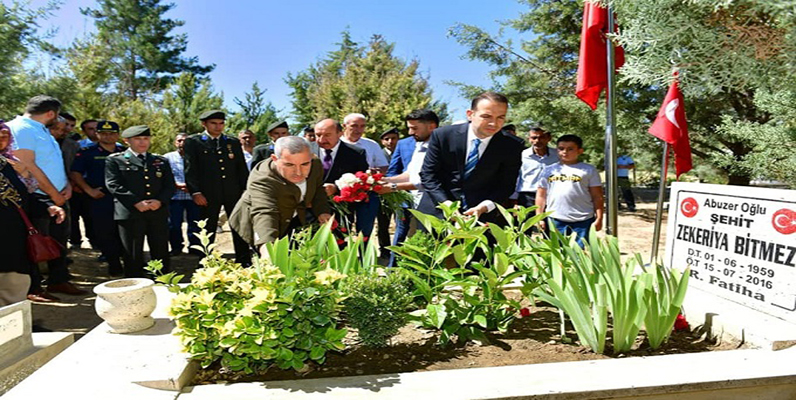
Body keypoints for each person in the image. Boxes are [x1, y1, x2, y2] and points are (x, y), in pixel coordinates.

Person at [7, 95, 85, 296]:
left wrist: (66, 185)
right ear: (51, 113)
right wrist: (52, 194)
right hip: (38, 196)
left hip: (59, 195)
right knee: (35, 242)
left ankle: (58, 280)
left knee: (59, 241)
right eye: (57, 115)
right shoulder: (21, 128)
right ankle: (34, 287)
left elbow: (54, 163)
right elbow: (29, 165)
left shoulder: (43, 130)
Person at [419, 92, 523, 224]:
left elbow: (506, 185)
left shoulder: (512, 145)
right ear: (470, 114)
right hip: (437, 213)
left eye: (500, 118)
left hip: (481, 219)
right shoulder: (443, 136)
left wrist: (484, 207)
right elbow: (428, 175)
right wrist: (447, 205)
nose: (494, 123)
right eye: (486, 116)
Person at [230, 136, 331, 257]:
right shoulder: (262, 179)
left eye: (304, 164)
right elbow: (264, 213)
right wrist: (267, 250)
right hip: (258, 222)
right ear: (275, 159)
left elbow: (318, 189)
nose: (298, 172)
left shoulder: (315, 164)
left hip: (294, 217)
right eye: (289, 165)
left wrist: (322, 211)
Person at [0, 120, 64, 304]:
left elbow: (20, 196)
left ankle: (17, 328)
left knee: (15, 284)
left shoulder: (8, 164)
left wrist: (47, 206)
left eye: (5, 135)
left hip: (13, 239)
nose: (2, 138)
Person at [106, 125, 175, 277]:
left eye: (146, 138)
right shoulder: (116, 160)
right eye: (137, 139)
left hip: (157, 211)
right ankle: (134, 282)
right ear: (126, 141)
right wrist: (135, 202)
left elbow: (169, 186)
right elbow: (113, 184)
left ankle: (162, 280)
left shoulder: (160, 161)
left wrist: (160, 201)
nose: (142, 142)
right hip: (131, 213)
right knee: (132, 251)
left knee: (160, 249)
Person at [183, 110, 250, 264]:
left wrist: (245, 190)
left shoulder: (231, 142)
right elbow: (190, 169)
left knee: (239, 226)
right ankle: (205, 260)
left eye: (221, 123)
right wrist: (196, 192)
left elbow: (240, 168)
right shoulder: (194, 142)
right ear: (204, 124)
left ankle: (244, 259)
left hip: (233, 191)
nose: (218, 127)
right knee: (207, 229)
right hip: (208, 193)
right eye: (214, 123)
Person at [378, 109, 439, 266]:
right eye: (409, 128)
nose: (410, 133)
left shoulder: (441, 147)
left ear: (431, 126)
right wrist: (382, 180)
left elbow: (427, 181)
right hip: (415, 203)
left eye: (414, 128)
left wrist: (392, 187)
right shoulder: (419, 145)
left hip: (434, 206)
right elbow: (410, 174)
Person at [70, 120, 127, 276]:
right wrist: (89, 190)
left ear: (117, 135)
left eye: (112, 133)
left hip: (124, 198)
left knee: (125, 231)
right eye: (103, 133)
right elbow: (75, 173)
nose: (108, 136)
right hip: (101, 198)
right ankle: (114, 264)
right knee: (105, 232)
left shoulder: (126, 151)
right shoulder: (88, 152)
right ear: (97, 134)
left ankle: (130, 262)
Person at [535, 134, 604, 246]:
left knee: (579, 255)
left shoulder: (589, 170)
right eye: (561, 148)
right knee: (557, 254)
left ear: (580, 151)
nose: (565, 152)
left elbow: (597, 196)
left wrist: (599, 218)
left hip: (582, 220)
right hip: (555, 219)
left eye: (570, 149)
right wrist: (539, 217)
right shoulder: (548, 170)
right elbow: (541, 196)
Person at [314, 118, 373, 237]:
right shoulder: (306, 150)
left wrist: (336, 188)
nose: (321, 140)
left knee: (339, 248)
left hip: (341, 212)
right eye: (318, 135)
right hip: (311, 211)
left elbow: (360, 183)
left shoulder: (356, 153)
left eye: (327, 135)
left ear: (340, 133)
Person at [164, 133, 201, 256]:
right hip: (174, 197)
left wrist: (192, 187)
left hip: (194, 197)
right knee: (174, 225)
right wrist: (176, 185)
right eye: (179, 140)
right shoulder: (167, 158)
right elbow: (163, 176)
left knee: (195, 224)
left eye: (185, 141)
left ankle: (195, 247)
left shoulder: (196, 156)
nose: (182, 143)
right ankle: (176, 247)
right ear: (175, 143)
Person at [71, 118, 99, 248]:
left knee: (94, 218)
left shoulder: (115, 147)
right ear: (84, 131)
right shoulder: (77, 145)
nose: (94, 131)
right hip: (76, 187)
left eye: (97, 128)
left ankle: (96, 242)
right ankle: (75, 242)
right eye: (90, 129)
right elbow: (71, 166)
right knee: (74, 216)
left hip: (98, 189)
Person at [516, 128, 559, 208]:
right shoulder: (522, 155)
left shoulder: (558, 155)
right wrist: (514, 200)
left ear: (549, 138)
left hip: (552, 196)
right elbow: (517, 177)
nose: (537, 141)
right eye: (534, 138)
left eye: (542, 137)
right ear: (529, 139)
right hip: (528, 197)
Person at [375, 127, 400, 259]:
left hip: (399, 192)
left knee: (401, 223)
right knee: (383, 224)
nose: (390, 141)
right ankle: (384, 250)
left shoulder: (403, 152)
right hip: (382, 195)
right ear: (382, 141)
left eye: (393, 138)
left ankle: (399, 250)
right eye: (387, 139)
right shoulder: (379, 154)